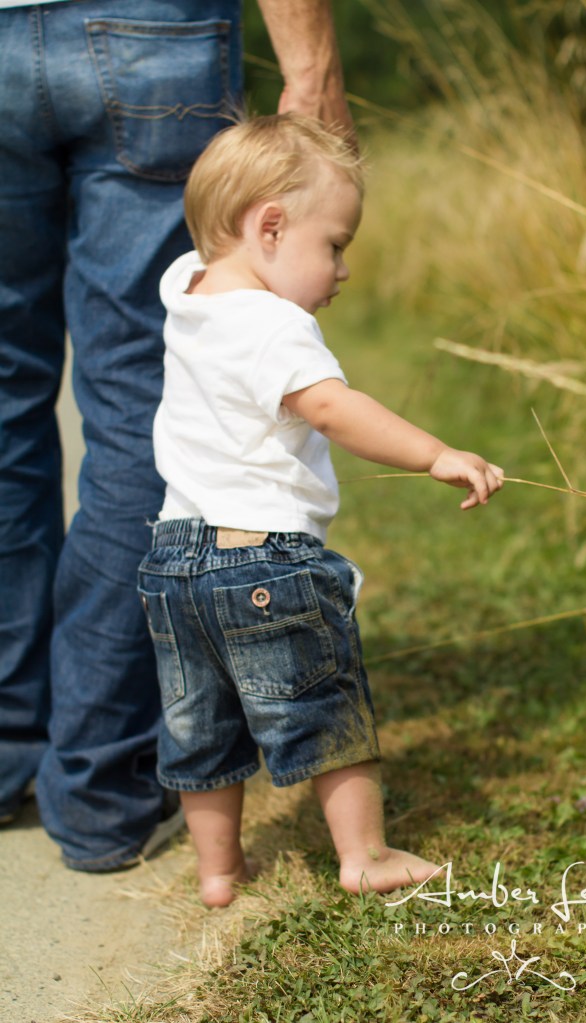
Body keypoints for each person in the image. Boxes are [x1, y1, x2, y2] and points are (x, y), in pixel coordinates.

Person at [0, 0, 354, 871]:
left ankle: (7, 752)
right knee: (136, 409)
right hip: (145, 30)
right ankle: (98, 790)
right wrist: (310, 70)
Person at [138, 114, 505, 908]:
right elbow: (333, 408)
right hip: (263, 557)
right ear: (269, 228)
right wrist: (434, 453)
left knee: (199, 725)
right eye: (335, 244)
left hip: (171, 561)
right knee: (324, 705)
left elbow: (210, 241)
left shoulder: (186, 293)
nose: (343, 269)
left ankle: (218, 871)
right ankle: (364, 854)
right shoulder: (273, 323)